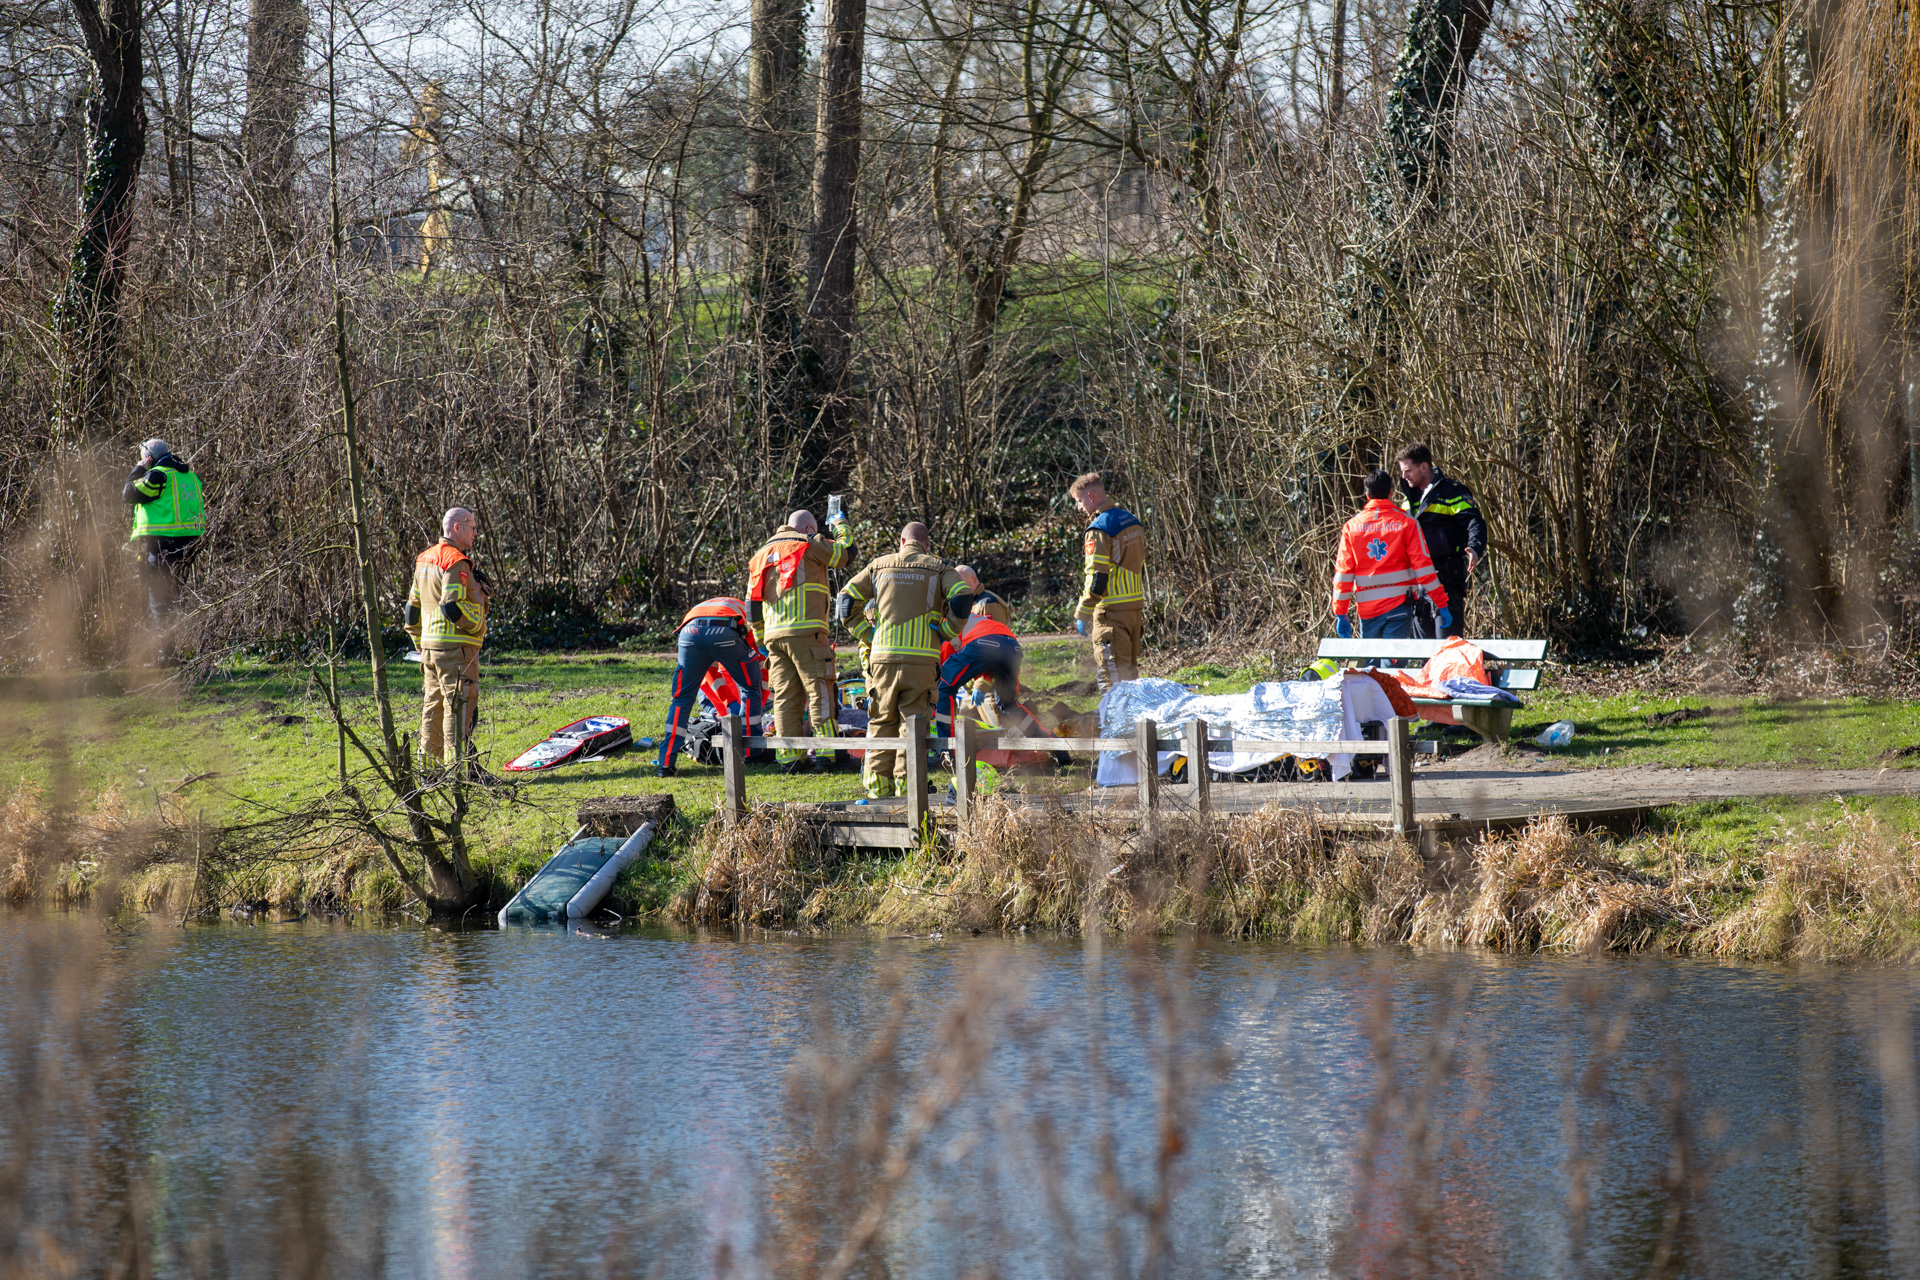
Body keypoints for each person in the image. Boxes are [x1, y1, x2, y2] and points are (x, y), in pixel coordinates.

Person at [839, 523, 971, 798]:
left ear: (901, 541)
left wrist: (868, 635)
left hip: (882, 661)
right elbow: (962, 597)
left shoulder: (878, 565)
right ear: (927, 544)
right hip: (921, 662)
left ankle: (878, 791)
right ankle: (907, 790)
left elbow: (845, 600)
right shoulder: (938, 567)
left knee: (879, 723)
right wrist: (947, 632)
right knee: (912, 726)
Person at [749, 507, 852, 774]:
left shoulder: (761, 555)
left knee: (785, 698)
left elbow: (752, 604)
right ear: (809, 529)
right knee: (820, 692)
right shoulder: (809, 543)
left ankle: (790, 759)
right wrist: (840, 524)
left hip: (774, 638)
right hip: (807, 633)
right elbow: (845, 554)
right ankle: (829, 754)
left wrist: (762, 639)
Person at [406, 507, 489, 763]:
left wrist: (420, 644)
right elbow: (451, 606)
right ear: (457, 528)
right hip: (455, 652)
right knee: (458, 707)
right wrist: (478, 626)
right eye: (472, 527)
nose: (476, 533)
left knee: (433, 710)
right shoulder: (455, 561)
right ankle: (458, 773)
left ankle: (428, 771)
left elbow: (411, 612)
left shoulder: (424, 559)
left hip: (429, 652)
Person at [1332, 470, 1450, 641]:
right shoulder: (1407, 523)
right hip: (1399, 607)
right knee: (1393, 664)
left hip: (1367, 611)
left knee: (1371, 665)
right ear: (1391, 493)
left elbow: (1343, 574)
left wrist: (1340, 612)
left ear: (1366, 495)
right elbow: (1423, 569)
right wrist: (1441, 603)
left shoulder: (1351, 527)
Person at [657, 596, 766, 777]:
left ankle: (665, 763)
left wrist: (727, 705)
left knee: (681, 700)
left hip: (689, 632)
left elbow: (709, 676)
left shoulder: (710, 605)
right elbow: (756, 660)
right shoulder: (747, 615)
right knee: (750, 689)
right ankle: (751, 753)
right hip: (725, 630)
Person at [124, 438, 206, 656]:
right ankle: (179, 650)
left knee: (160, 601)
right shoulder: (188, 475)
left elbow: (128, 493)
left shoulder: (158, 476)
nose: (142, 462)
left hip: (162, 547)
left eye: (143, 459)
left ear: (149, 458)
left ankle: (166, 654)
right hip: (187, 546)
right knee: (175, 599)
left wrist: (137, 469)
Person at [1396, 443, 1486, 639]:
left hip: (1446, 579)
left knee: (1448, 650)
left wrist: (1474, 548)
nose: (1404, 477)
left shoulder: (1452, 492)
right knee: (1424, 657)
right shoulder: (1407, 500)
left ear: (1424, 467)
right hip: (1417, 587)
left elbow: (1474, 521)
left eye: (1408, 471)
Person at [1068, 472, 1145, 689]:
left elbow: (1097, 576)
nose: (1079, 508)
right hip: (1134, 610)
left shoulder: (1098, 529)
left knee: (1113, 680)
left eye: (1080, 501)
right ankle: (1136, 723)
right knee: (1129, 674)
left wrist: (1083, 612)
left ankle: (1119, 723)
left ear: (1091, 497)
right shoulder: (1132, 520)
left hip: (1111, 613)